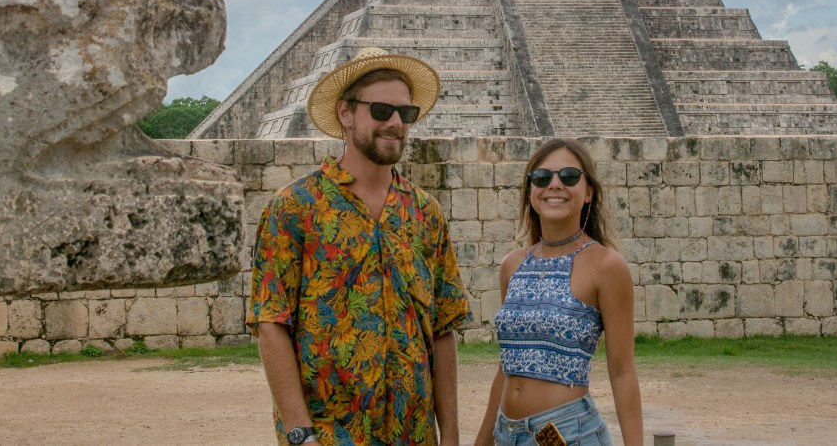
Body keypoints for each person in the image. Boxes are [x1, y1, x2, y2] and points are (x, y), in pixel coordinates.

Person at [248, 46, 472, 446]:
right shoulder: (295, 207)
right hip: (329, 435)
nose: (396, 123)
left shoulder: (426, 213)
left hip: (414, 434)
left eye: (406, 113)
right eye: (382, 110)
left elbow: (442, 330)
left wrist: (450, 436)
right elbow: (272, 323)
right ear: (346, 113)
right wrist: (301, 435)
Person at [474, 138, 643, 446]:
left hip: (565, 435)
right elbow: (508, 365)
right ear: (530, 191)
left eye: (568, 176)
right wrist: (482, 441)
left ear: (588, 191)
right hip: (506, 434)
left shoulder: (606, 266)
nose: (554, 185)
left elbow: (622, 372)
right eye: (541, 177)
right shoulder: (513, 265)